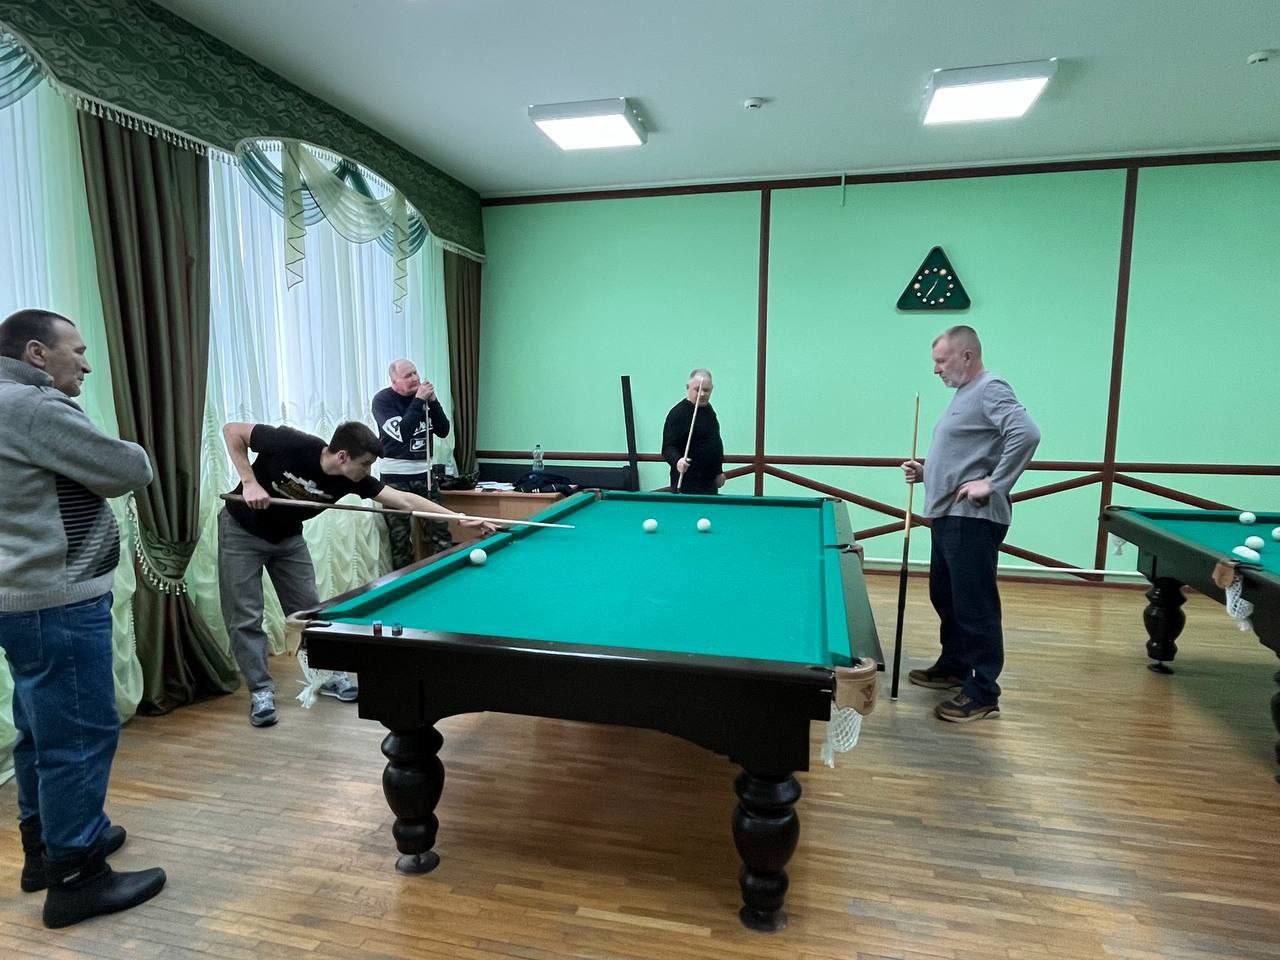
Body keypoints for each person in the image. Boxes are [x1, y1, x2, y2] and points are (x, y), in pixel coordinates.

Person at [0, 308, 166, 928]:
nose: (87, 364)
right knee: (78, 736)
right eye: (79, 350)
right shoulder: (32, 405)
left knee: (40, 730)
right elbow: (130, 469)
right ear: (37, 354)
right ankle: (77, 878)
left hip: (19, 597)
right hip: (58, 599)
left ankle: (46, 851)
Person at [218, 420, 490, 727]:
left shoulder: (353, 479)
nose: (368, 471)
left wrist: (458, 518)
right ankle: (261, 691)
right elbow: (233, 431)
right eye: (366, 463)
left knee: (309, 613)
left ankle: (328, 675)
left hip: (287, 538)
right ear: (343, 456)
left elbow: (404, 500)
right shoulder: (292, 443)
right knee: (245, 615)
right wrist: (249, 482)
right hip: (241, 531)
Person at [901, 326, 1040, 722]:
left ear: (966, 355)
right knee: (946, 596)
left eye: (941, 361)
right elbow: (967, 453)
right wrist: (927, 472)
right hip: (950, 515)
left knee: (973, 604)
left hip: (972, 519)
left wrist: (993, 484)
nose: (936, 369)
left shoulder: (990, 387)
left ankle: (982, 692)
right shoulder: (965, 393)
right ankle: (955, 665)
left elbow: (1027, 434)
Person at [371, 359, 453, 569]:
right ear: (394, 381)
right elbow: (402, 433)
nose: (415, 378)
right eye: (408, 376)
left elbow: (443, 430)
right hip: (395, 479)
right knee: (400, 540)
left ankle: (445, 573)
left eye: (415, 373)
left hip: (425, 476)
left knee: (440, 532)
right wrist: (418, 401)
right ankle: (403, 580)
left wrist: (433, 402)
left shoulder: (425, 399)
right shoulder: (383, 400)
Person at [661, 368, 725, 495]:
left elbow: (715, 443)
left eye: (706, 390)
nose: (702, 394)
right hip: (686, 484)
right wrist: (677, 461)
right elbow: (667, 448)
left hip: (709, 484)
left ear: (712, 389)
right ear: (688, 388)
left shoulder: (709, 411)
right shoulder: (678, 413)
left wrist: (718, 471)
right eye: (697, 389)